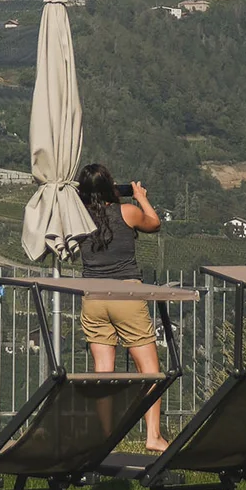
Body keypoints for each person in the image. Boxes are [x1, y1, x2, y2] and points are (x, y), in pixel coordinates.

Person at [75, 159, 166, 443]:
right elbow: (154, 224)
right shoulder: (128, 212)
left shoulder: (77, 217)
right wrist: (139, 197)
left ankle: (104, 436)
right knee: (149, 370)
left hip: (93, 298)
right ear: (110, 187)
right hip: (126, 295)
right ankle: (153, 436)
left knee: (103, 371)